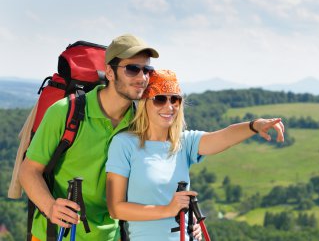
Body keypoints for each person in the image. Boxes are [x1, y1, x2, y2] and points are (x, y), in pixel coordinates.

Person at [18, 34, 205, 241]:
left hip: (112, 236)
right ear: (109, 71)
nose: (142, 77)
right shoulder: (65, 112)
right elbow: (28, 170)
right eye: (132, 69)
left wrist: (186, 218)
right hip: (56, 234)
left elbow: (156, 174)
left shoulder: (141, 122)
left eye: (147, 70)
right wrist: (50, 207)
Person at [106, 70, 285, 241]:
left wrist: (254, 125)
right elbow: (116, 208)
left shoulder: (184, 143)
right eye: (159, 99)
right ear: (145, 102)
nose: (169, 107)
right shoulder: (124, 144)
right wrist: (168, 210)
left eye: (175, 100)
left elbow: (223, 137)